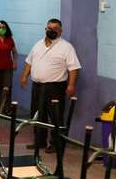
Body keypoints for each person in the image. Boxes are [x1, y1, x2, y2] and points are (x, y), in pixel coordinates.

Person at [20, 18, 81, 153]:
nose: (51, 30)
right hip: (37, 86)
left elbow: (74, 68)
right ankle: (40, 141)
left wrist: (71, 85)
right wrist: (24, 76)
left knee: (55, 116)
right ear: (45, 29)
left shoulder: (66, 47)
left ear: (60, 31)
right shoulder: (38, 44)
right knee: (37, 114)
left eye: (55, 29)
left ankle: (56, 144)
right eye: (49, 28)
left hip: (55, 87)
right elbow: (29, 61)